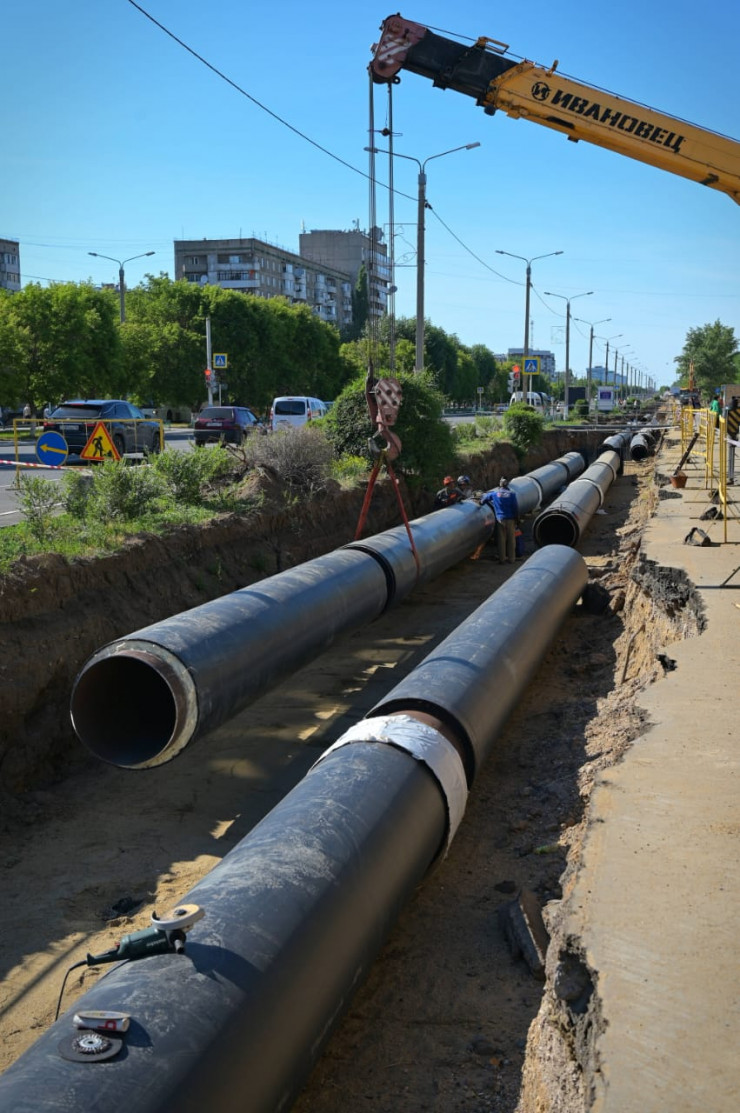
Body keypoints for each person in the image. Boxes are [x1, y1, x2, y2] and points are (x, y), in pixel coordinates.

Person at [481, 477, 519, 564]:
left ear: (500, 485)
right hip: (510, 519)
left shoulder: (494, 494)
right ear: (507, 485)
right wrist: (517, 518)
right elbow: (515, 508)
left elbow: (483, 500)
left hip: (500, 520)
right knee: (511, 539)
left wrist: (480, 501)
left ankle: (502, 559)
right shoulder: (512, 494)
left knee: (501, 540)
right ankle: (511, 559)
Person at [726, 396, 740, 484]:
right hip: (733, 434)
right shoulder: (735, 411)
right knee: (731, 452)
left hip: (732, 434)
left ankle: (731, 478)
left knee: (731, 452)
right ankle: (731, 478)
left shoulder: (729, 410)